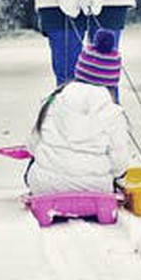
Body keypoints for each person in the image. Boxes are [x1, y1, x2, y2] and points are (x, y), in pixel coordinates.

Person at [24, 28, 129, 195]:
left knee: (37, 161)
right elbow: (120, 164)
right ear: (111, 82)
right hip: (96, 188)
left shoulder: (54, 100)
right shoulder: (113, 112)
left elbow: (32, 144)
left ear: (79, 71)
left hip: (45, 186)